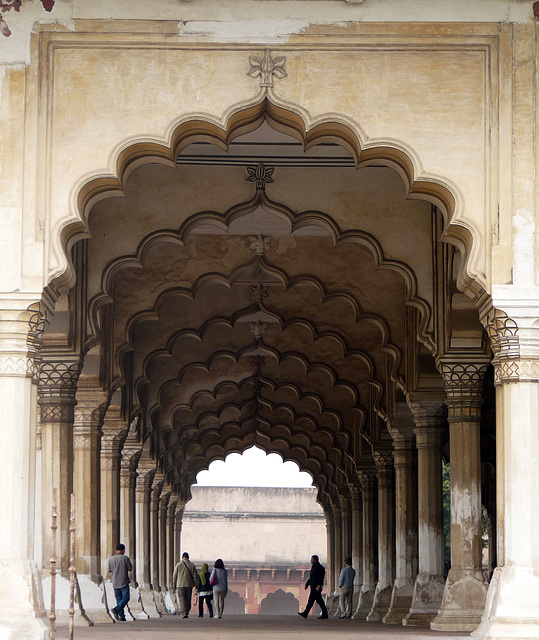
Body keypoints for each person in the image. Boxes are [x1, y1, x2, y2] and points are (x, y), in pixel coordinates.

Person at [107, 543, 132, 622]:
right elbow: (130, 568)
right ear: (123, 550)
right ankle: (117, 609)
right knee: (126, 598)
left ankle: (121, 616)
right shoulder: (125, 558)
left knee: (119, 599)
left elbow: (109, 570)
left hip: (115, 581)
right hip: (124, 581)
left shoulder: (111, 559)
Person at [298, 554, 328, 619]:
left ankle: (305, 613)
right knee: (319, 601)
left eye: (312, 559)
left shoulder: (320, 568)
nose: (310, 561)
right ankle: (325, 614)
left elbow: (320, 577)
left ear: (315, 560)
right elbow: (312, 577)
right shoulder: (314, 567)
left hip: (316, 587)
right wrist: (307, 584)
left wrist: (319, 585)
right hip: (313, 586)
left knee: (311, 600)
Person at [172, 551, 200, 618]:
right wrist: (197, 584)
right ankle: (186, 611)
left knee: (182, 599)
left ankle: (184, 612)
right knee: (188, 598)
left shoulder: (178, 565)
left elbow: (174, 575)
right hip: (189, 585)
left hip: (180, 585)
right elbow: (195, 575)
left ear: (182, 557)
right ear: (188, 557)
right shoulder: (192, 565)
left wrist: (174, 584)